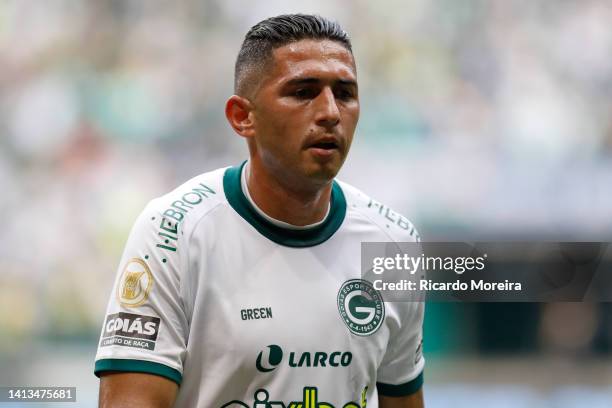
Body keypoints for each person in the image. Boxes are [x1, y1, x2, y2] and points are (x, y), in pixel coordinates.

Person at [95, 14, 424, 408]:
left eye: (345, 93)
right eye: (304, 91)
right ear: (242, 117)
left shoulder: (394, 243)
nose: (330, 112)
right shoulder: (172, 233)